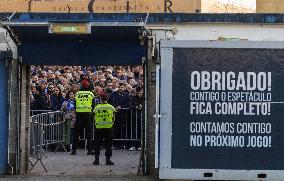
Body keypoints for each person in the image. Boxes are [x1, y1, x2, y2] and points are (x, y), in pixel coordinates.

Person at [71, 79, 94, 155]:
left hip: (79, 115)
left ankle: (74, 150)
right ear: (88, 86)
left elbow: (74, 104)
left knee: (76, 133)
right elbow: (93, 105)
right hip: (88, 115)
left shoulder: (77, 94)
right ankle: (89, 150)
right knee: (88, 134)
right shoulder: (91, 94)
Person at [93, 92, 116, 165]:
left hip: (98, 128)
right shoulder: (111, 107)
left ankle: (96, 160)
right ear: (107, 99)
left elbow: (93, 117)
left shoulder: (96, 108)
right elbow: (114, 118)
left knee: (97, 145)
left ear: (100, 99)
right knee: (108, 145)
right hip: (108, 128)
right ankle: (108, 160)